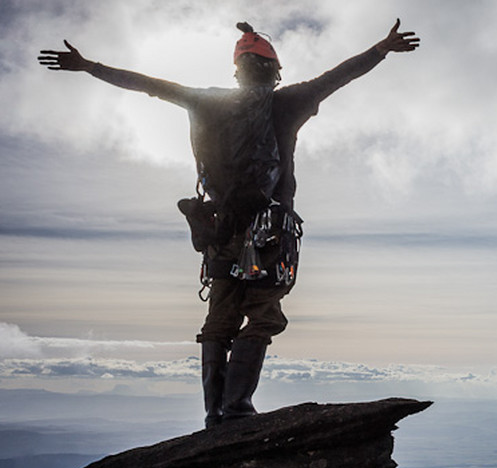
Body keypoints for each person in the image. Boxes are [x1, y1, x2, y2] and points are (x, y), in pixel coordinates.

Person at [39, 20, 420, 428]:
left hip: (220, 229)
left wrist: (88, 66)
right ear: (274, 70)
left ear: (237, 69)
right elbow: (338, 76)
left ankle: (215, 414)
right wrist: (381, 48)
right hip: (270, 230)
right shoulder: (288, 101)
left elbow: (147, 83)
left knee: (220, 317)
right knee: (262, 313)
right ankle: (237, 407)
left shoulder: (205, 101)